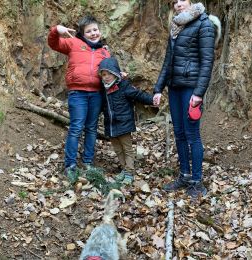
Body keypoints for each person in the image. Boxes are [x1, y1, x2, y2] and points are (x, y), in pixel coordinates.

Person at [153, 0, 218, 198]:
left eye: (181, 0)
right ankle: (185, 175)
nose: (177, 4)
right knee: (179, 133)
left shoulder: (204, 24)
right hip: (174, 88)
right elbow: (168, 61)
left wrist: (198, 93)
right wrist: (158, 88)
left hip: (191, 88)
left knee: (192, 135)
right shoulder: (176, 25)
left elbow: (207, 62)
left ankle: (197, 182)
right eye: (174, 2)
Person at [48, 15, 111, 178]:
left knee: (91, 128)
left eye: (95, 30)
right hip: (78, 93)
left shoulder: (105, 52)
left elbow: (110, 74)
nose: (93, 33)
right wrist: (56, 30)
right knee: (76, 128)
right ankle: (70, 166)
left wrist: (119, 74)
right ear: (82, 34)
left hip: (96, 94)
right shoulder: (74, 43)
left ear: (100, 31)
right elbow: (53, 44)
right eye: (89, 31)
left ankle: (88, 162)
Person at [99, 57, 155, 185]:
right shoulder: (103, 90)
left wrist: (152, 100)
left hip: (124, 123)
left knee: (127, 149)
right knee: (118, 149)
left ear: (116, 74)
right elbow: (99, 106)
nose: (107, 77)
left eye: (110, 74)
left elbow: (138, 95)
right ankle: (124, 169)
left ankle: (129, 172)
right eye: (104, 74)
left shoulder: (124, 86)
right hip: (111, 125)